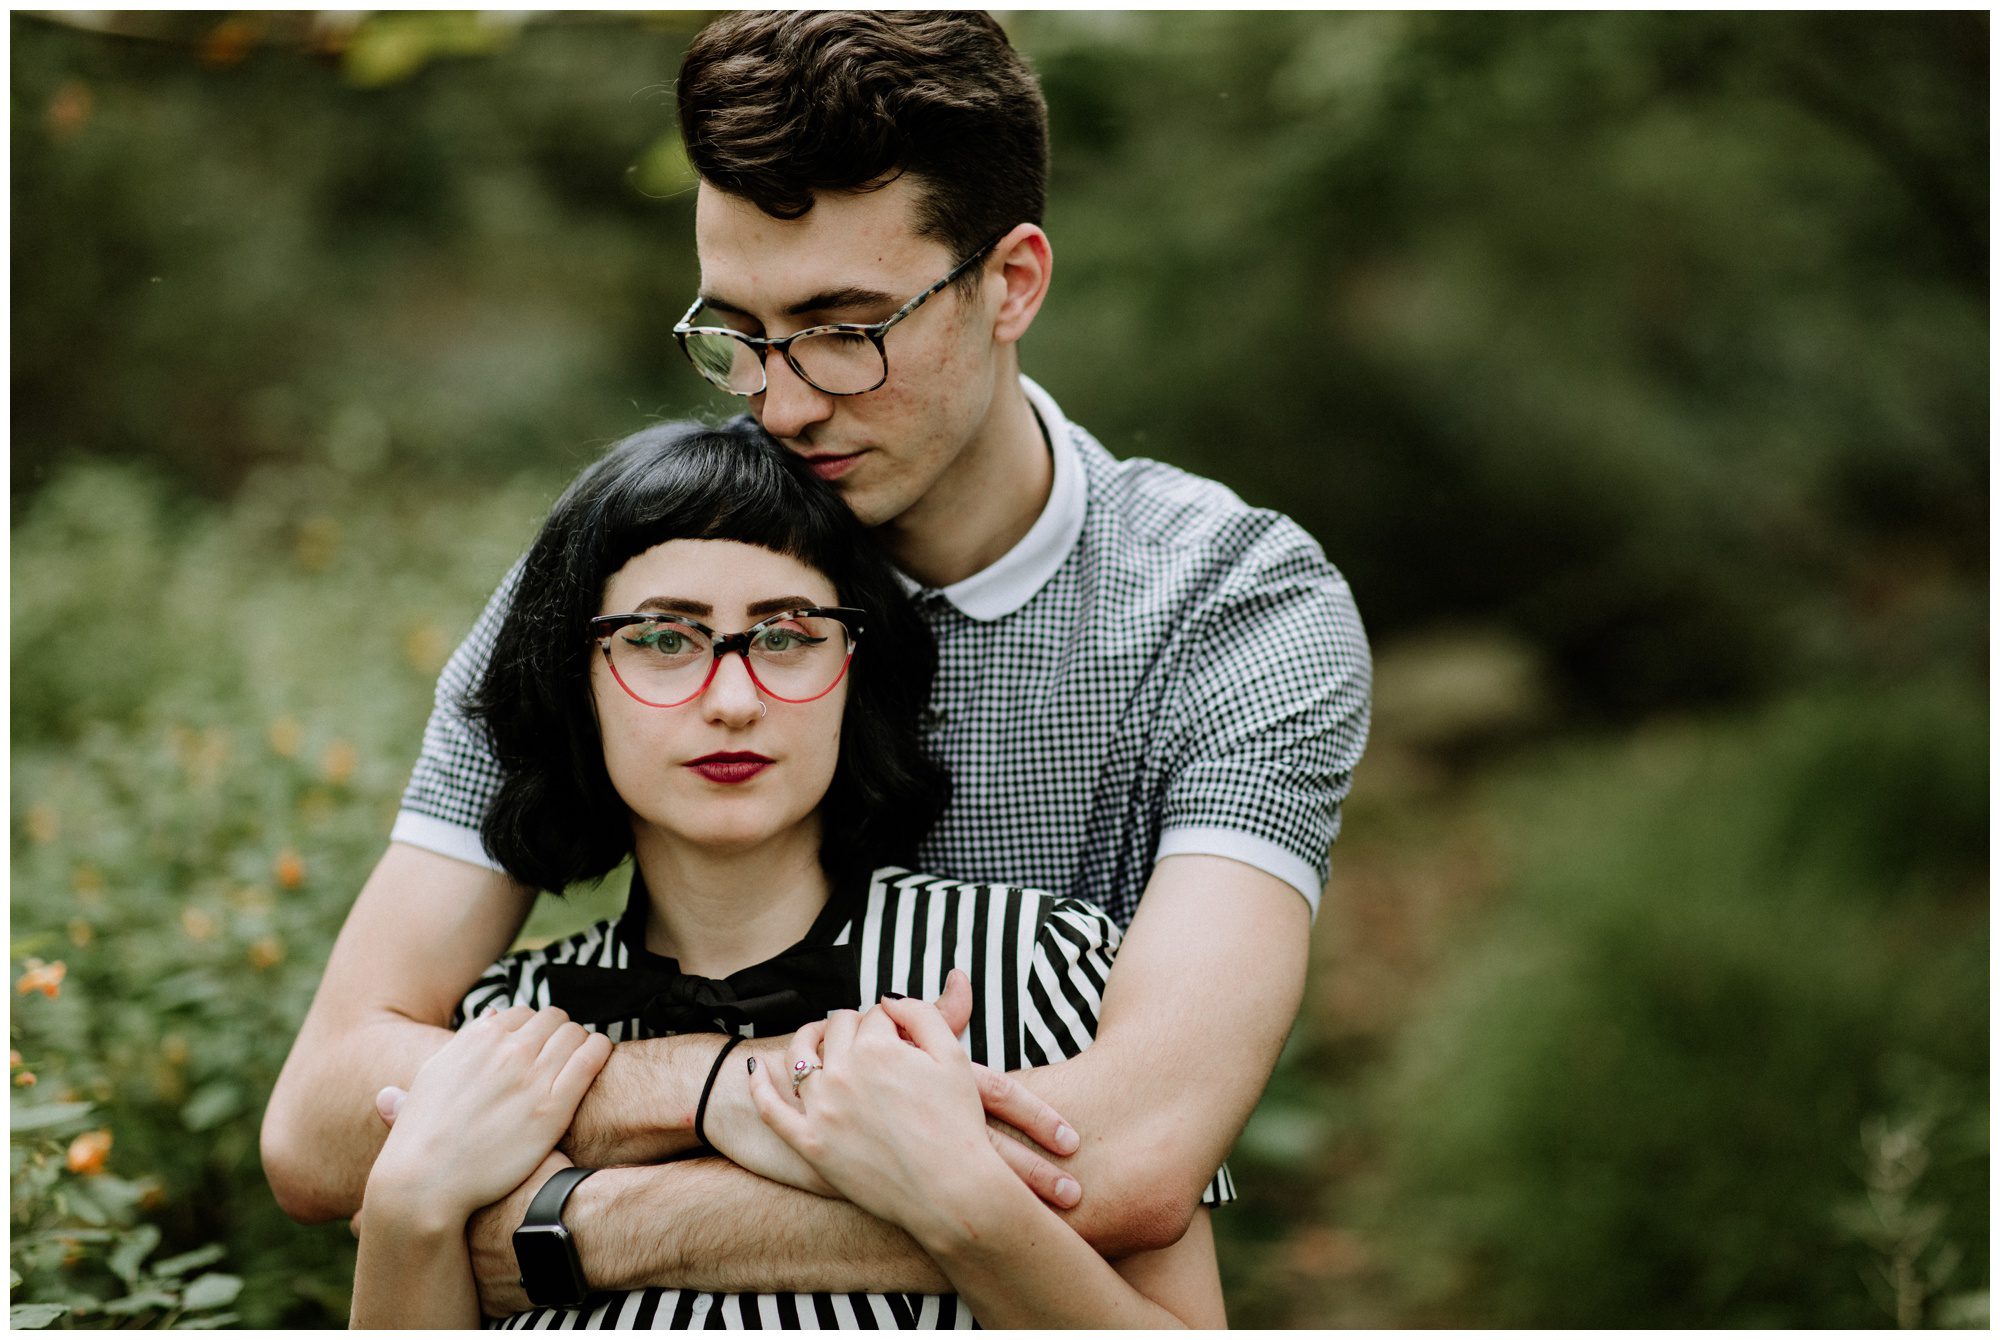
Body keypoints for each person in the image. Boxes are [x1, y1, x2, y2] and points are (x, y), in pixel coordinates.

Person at [264, 9, 1369, 1313]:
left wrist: (578, 1226)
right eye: (737, 328)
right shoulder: (638, 580)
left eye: (845, 328)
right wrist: (718, 1085)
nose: (780, 402)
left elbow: (1122, 1162)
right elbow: (325, 1116)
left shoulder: (1231, 606)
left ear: (1012, 282)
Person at [348, 420, 1225, 1328]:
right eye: (662, 640)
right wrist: (407, 1210)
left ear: (854, 667)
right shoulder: (498, 1034)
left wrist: (963, 1198)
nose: (733, 702)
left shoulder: (1039, 964)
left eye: (787, 636)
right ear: (579, 682)